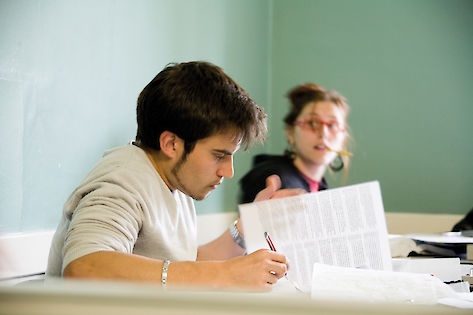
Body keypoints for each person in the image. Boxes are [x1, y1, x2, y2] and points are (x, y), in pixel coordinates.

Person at [46, 61, 302, 290]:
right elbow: (84, 268)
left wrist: (248, 227)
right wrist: (226, 273)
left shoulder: (172, 179)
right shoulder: (122, 182)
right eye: (218, 155)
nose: (228, 171)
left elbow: (182, 267)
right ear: (171, 144)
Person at [239, 83, 351, 204]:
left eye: (332, 125)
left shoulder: (322, 188)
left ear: (343, 138)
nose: (323, 133)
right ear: (290, 132)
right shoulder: (273, 181)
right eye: (312, 123)